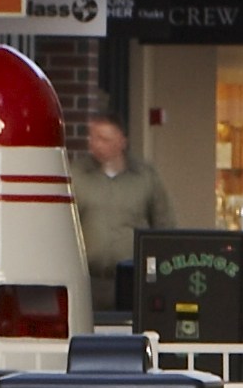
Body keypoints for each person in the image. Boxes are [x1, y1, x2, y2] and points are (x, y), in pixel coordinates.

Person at [65, 113, 171, 316]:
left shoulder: (145, 177)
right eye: (93, 137)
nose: (96, 144)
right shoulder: (76, 175)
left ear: (121, 142)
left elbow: (164, 226)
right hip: (89, 279)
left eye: (104, 139)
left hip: (132, 280)